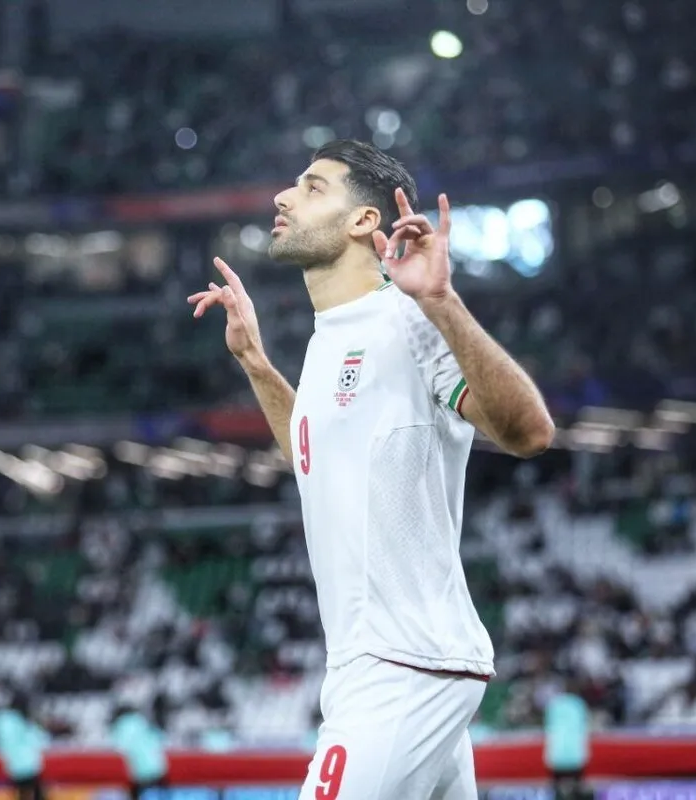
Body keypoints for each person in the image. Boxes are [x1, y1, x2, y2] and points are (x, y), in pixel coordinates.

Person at [188, 139, 554, 799]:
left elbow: (531, 433)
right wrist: (256, 363)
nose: (283, 196)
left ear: (364, 220)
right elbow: (316, 461)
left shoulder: (409, 318)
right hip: (381, 665)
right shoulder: (328, 338)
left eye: (312, 187)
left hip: (403, 667)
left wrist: (442, 301)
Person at [0, 692, 51, 800]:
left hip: (13, 766)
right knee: (34, 794)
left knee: (24, 793)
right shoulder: (21, 720)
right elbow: (41, 740)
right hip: (27, 766)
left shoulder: (1, 719)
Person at [109, 706, 168, 800]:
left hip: (139, 772)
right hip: (158, 769)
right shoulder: (142, 721)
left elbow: (118, 747)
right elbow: (160, 739)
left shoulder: (121, 725)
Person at [544, 691, 592, 800]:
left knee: (559, 787)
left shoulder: (555, 705)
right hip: (573, 755)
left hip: (559, 755)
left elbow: (549, 730)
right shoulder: (578, 704)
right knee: (574, 786)